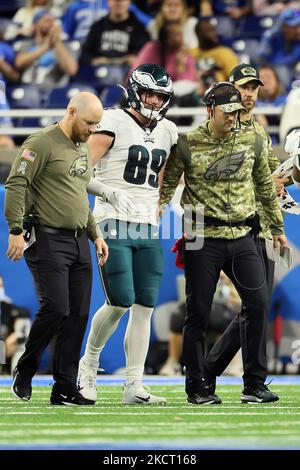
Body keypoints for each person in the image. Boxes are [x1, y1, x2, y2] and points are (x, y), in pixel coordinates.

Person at [160, 81, 286, 405]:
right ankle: (196, 386)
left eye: (237, 111)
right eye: (227, 111)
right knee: (198, 312)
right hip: (202, 235)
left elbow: (264, 184)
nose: (233, 116)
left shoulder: (252, 137)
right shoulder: (187, 143)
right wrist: (154, 213)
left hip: (242, 233)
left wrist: (276, 228)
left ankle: (254, 384)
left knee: (257, 303)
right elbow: (165, 187)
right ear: (210, 110)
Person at [78, 63, 178, 405]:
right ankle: (88, 365)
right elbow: (80, 171)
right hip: (111, 221)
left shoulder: (168, 130)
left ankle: (133, 384)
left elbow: (162, 177)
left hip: (148, 225)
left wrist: (165, 204)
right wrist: (106, 192)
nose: (154, 100)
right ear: (135, 90)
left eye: (160, 95)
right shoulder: (113, 121)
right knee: (119, 301)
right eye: (149, 93)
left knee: (145, 306)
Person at [5, 91, 108, 406]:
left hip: (79, 240)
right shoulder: (41, 143)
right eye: (89, 122)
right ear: (72, 111)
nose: (93, 130)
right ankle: (26, 368)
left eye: (97, 124)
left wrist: (95, 235)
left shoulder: (80, 147)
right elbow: (16, 184)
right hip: (47, 237)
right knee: (56, 308)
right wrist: (15, 231)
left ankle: (64, 386)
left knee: (77, 315)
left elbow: (78, 195)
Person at [203, 64, 291, 399]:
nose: (250, 94)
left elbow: (271, 176)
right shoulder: (221, 131)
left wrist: (291, 175)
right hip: (232, 227)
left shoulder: (258, 129)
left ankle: (230, 375)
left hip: (260, 224)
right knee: (255, 304)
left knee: (257, 305)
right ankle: (233, 376)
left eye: (254, 88)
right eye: (243, 88)